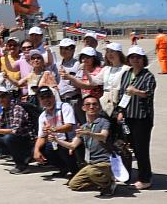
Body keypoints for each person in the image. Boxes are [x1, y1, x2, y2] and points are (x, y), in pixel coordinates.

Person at [52, 96, 116, 195]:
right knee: (74, 185)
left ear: (98, 107)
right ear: (83, 108)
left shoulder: (103, 121)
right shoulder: (83, 127)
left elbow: (103, 136)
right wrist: (56, 140)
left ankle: (109, 183)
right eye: (88, 104)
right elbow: (72, 146)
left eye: (94, 104)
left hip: (105, 162)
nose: (91, 107)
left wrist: (88, 133)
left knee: (92, 172)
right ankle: (100, 182)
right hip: (91, 163)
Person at [117, 45, 156, 190]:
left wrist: (136, 91)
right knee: (128, 146)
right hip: (128, 116)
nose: (135, 60)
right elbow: (123, 94)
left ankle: (145, 178)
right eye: (132, 57)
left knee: (141, 149)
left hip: (142, 118)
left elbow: (148, 93)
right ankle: (127, 173)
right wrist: (120, 111)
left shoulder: (148, 76)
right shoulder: (126, 74)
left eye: (138, 57)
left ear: (143, 59)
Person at [0, 87, 35, 173]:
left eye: (3, 97)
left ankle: (22, 166)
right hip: (17, 139)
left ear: (8, 96)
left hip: (27, 139)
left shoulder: (17, 108)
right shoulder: (4, 111)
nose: (1, 100)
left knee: (9, 138)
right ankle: (22, 157)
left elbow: (14, 130)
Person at [33, 86, 77, 178]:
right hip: (55, 142)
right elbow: (41, 136)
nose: (46, 100)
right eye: (43, 98)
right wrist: (36, 151)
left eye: (48, 96)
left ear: (53, 97)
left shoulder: (64, 107)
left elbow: (69, 127)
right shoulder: (42, 116)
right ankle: (63, 168)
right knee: (41, 149)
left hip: (70, 141)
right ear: (39, 100)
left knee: (62, 148)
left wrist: (53, 129)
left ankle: (75, 171)